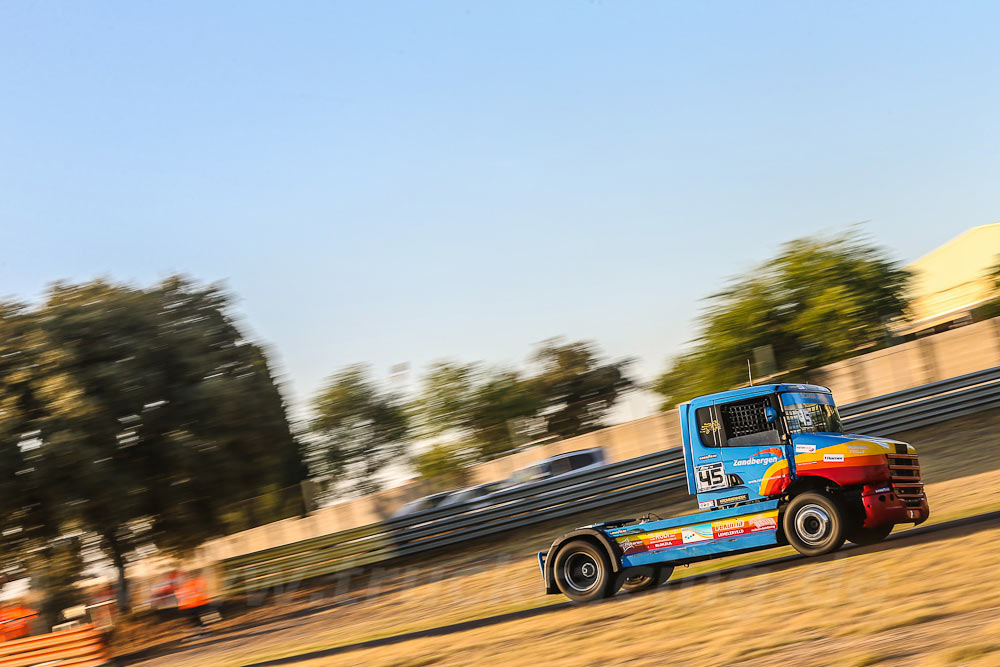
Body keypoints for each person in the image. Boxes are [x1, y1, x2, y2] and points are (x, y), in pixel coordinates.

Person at [175, 571, 210, 636]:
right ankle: (201, 631)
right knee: (195, 619)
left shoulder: (192, 583)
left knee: (195, 619)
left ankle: (201, 633)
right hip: (191, 605)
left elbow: (194, 593)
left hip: (195, 604)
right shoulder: (187, 584)